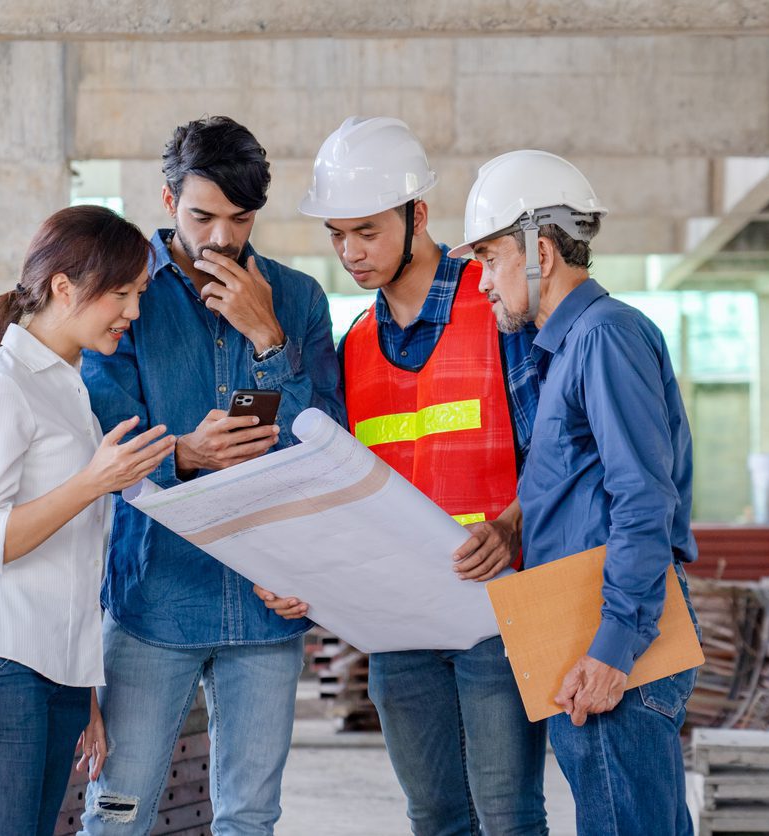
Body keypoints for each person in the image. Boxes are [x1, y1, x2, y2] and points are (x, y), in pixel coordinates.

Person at [257, 116, 547, 835]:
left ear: (418, 214)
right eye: (336, 235)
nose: (350, 253)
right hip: (397, 625)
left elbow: (560, 449)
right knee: (436, 817)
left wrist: (509, 523)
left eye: (367, 231)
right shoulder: (353, 344)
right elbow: (336, 485)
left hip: (498, 612)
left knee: (508, 817)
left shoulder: (500, 305)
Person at [78, 116, 344, 835]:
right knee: (118, 814)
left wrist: (269, 339)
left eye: (240, 218)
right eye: (202, 216)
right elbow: (105, 431)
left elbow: (320, 445)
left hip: (267, 606)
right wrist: (186, 454)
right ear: (168, 203)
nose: (222, 237)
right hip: (155, 601)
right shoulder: (126, 298)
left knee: (251, 819)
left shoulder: (298, 301)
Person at [453, 150, 701, 836]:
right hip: (580, 634)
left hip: (611, 648)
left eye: (490, 261)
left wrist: (612, 649)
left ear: (539, 250)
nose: (482, 284)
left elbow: (643, 500)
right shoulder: (566, 352)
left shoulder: (605, 337)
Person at [0, 205, 176, 836]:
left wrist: (84, 687)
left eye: (139, 293)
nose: (134, 312)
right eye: (121, 294)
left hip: (55, 672)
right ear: (64, 287)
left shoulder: (68, 390)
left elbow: (72, 563)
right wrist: (93, 481)